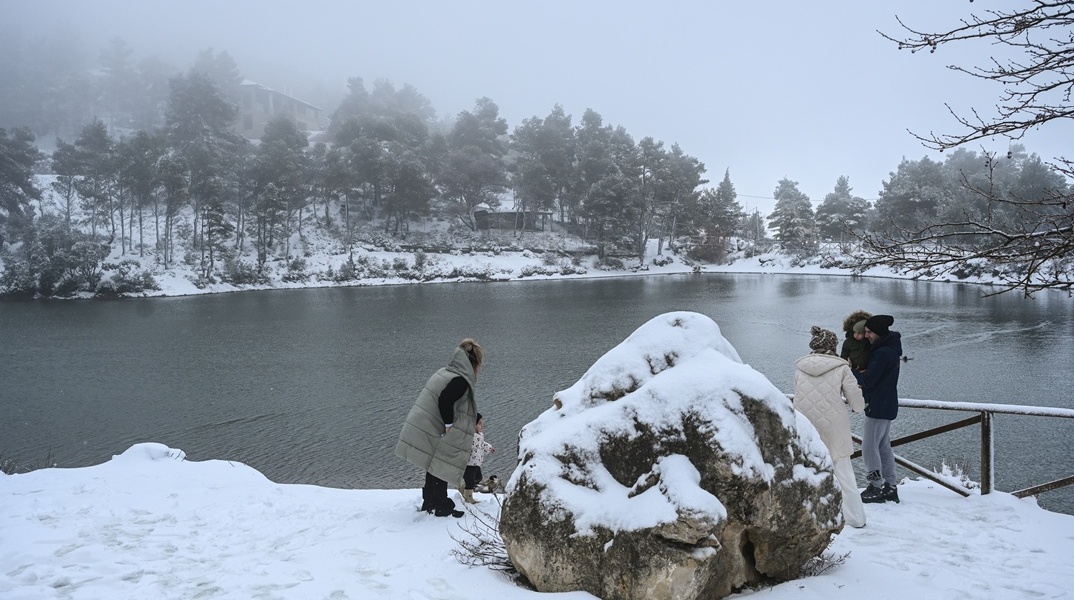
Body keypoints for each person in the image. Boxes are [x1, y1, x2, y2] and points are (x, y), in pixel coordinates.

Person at [395, 339, 484, 518]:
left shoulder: (446, 372)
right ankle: (442, 506)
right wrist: (449, 425)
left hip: (423, 422)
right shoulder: (460, 380)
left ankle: (430, 501)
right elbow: (445, 399)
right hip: (433, 425)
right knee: (441, 464)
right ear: (473, 364)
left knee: (433, 464)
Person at [793, 326, 868, 528]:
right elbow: (856, 402)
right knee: (843, 473)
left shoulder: (800, 366)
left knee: (808, 472)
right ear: (833, 346)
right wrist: (860, 406)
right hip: (834, 426)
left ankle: (810, 516)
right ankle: (855, 519)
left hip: (805, 427)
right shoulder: (842, 367)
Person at [854, 315, 903, 504]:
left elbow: (869, 381)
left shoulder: (882, 353)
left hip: (878, 406)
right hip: (887, 404)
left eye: (869, 332)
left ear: (879, 333)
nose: (866, 336)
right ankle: (890, 486)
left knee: (868, 447)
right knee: (883, 446)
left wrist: (852, 371)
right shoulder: (891, 350)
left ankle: (875, 487)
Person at [461, 413, 495, 504]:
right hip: (469, 463)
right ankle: (468, 496)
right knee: (470, 480)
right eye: (479, 424)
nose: (481, 426)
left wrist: (489, 448)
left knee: (478, 478)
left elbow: (482, 444)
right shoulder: (469, 436)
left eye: (482, 424)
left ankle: (463, 487)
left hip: (477, 462)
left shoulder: (480, 435)